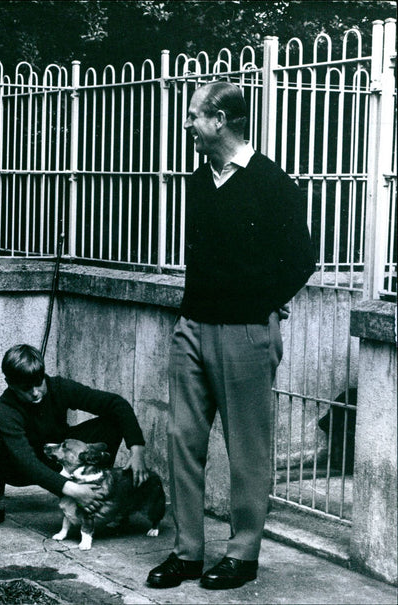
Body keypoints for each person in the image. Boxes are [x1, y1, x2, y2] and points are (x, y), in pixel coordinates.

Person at [146, 82, 315, 590]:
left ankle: (242, 555)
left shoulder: (271, 183)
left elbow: (302, 260)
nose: (186, 125)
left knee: (247, 449)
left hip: (244, 332)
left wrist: (259, 305)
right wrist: (189, 320)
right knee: (181, 441)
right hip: (193, 327)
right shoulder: (200, 181)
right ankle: (188, 552)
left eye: (194, 116)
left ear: (220, 120)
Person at [0, 343, 149, 533]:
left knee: (113, 420)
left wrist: (137, 450)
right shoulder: (6, 409)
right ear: (10, 384)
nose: (35, 392)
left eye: (39, 383)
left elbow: (116, 404)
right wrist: (73, 491)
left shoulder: (59, 387)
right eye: (26, 388)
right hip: (20, 468)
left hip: (58, 455)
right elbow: (27, 462)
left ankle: (96, 492)